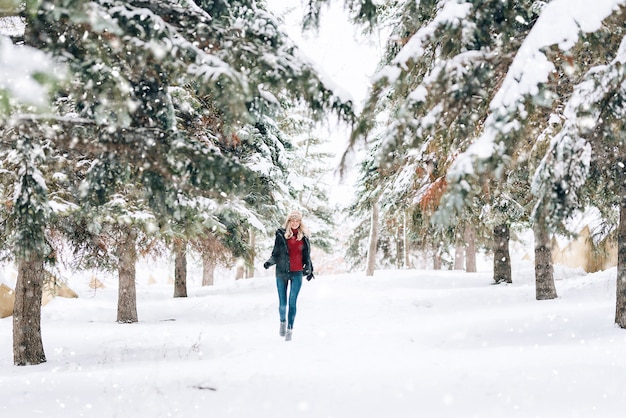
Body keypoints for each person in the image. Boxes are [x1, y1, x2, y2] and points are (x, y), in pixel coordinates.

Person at [263, 210, 314, 341]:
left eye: (297, 221)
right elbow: (275, 253)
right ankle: (282, 322)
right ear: (289, 221)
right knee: (282, 304)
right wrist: (269, 262)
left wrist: (309, 268)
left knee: (292, 302)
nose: (295, 223)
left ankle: (290, 329)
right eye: (293, 220)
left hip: (297, 273)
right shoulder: (281, 235)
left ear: (300, 222)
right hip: (281, 272)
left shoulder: (304, 237)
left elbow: (307, 255)